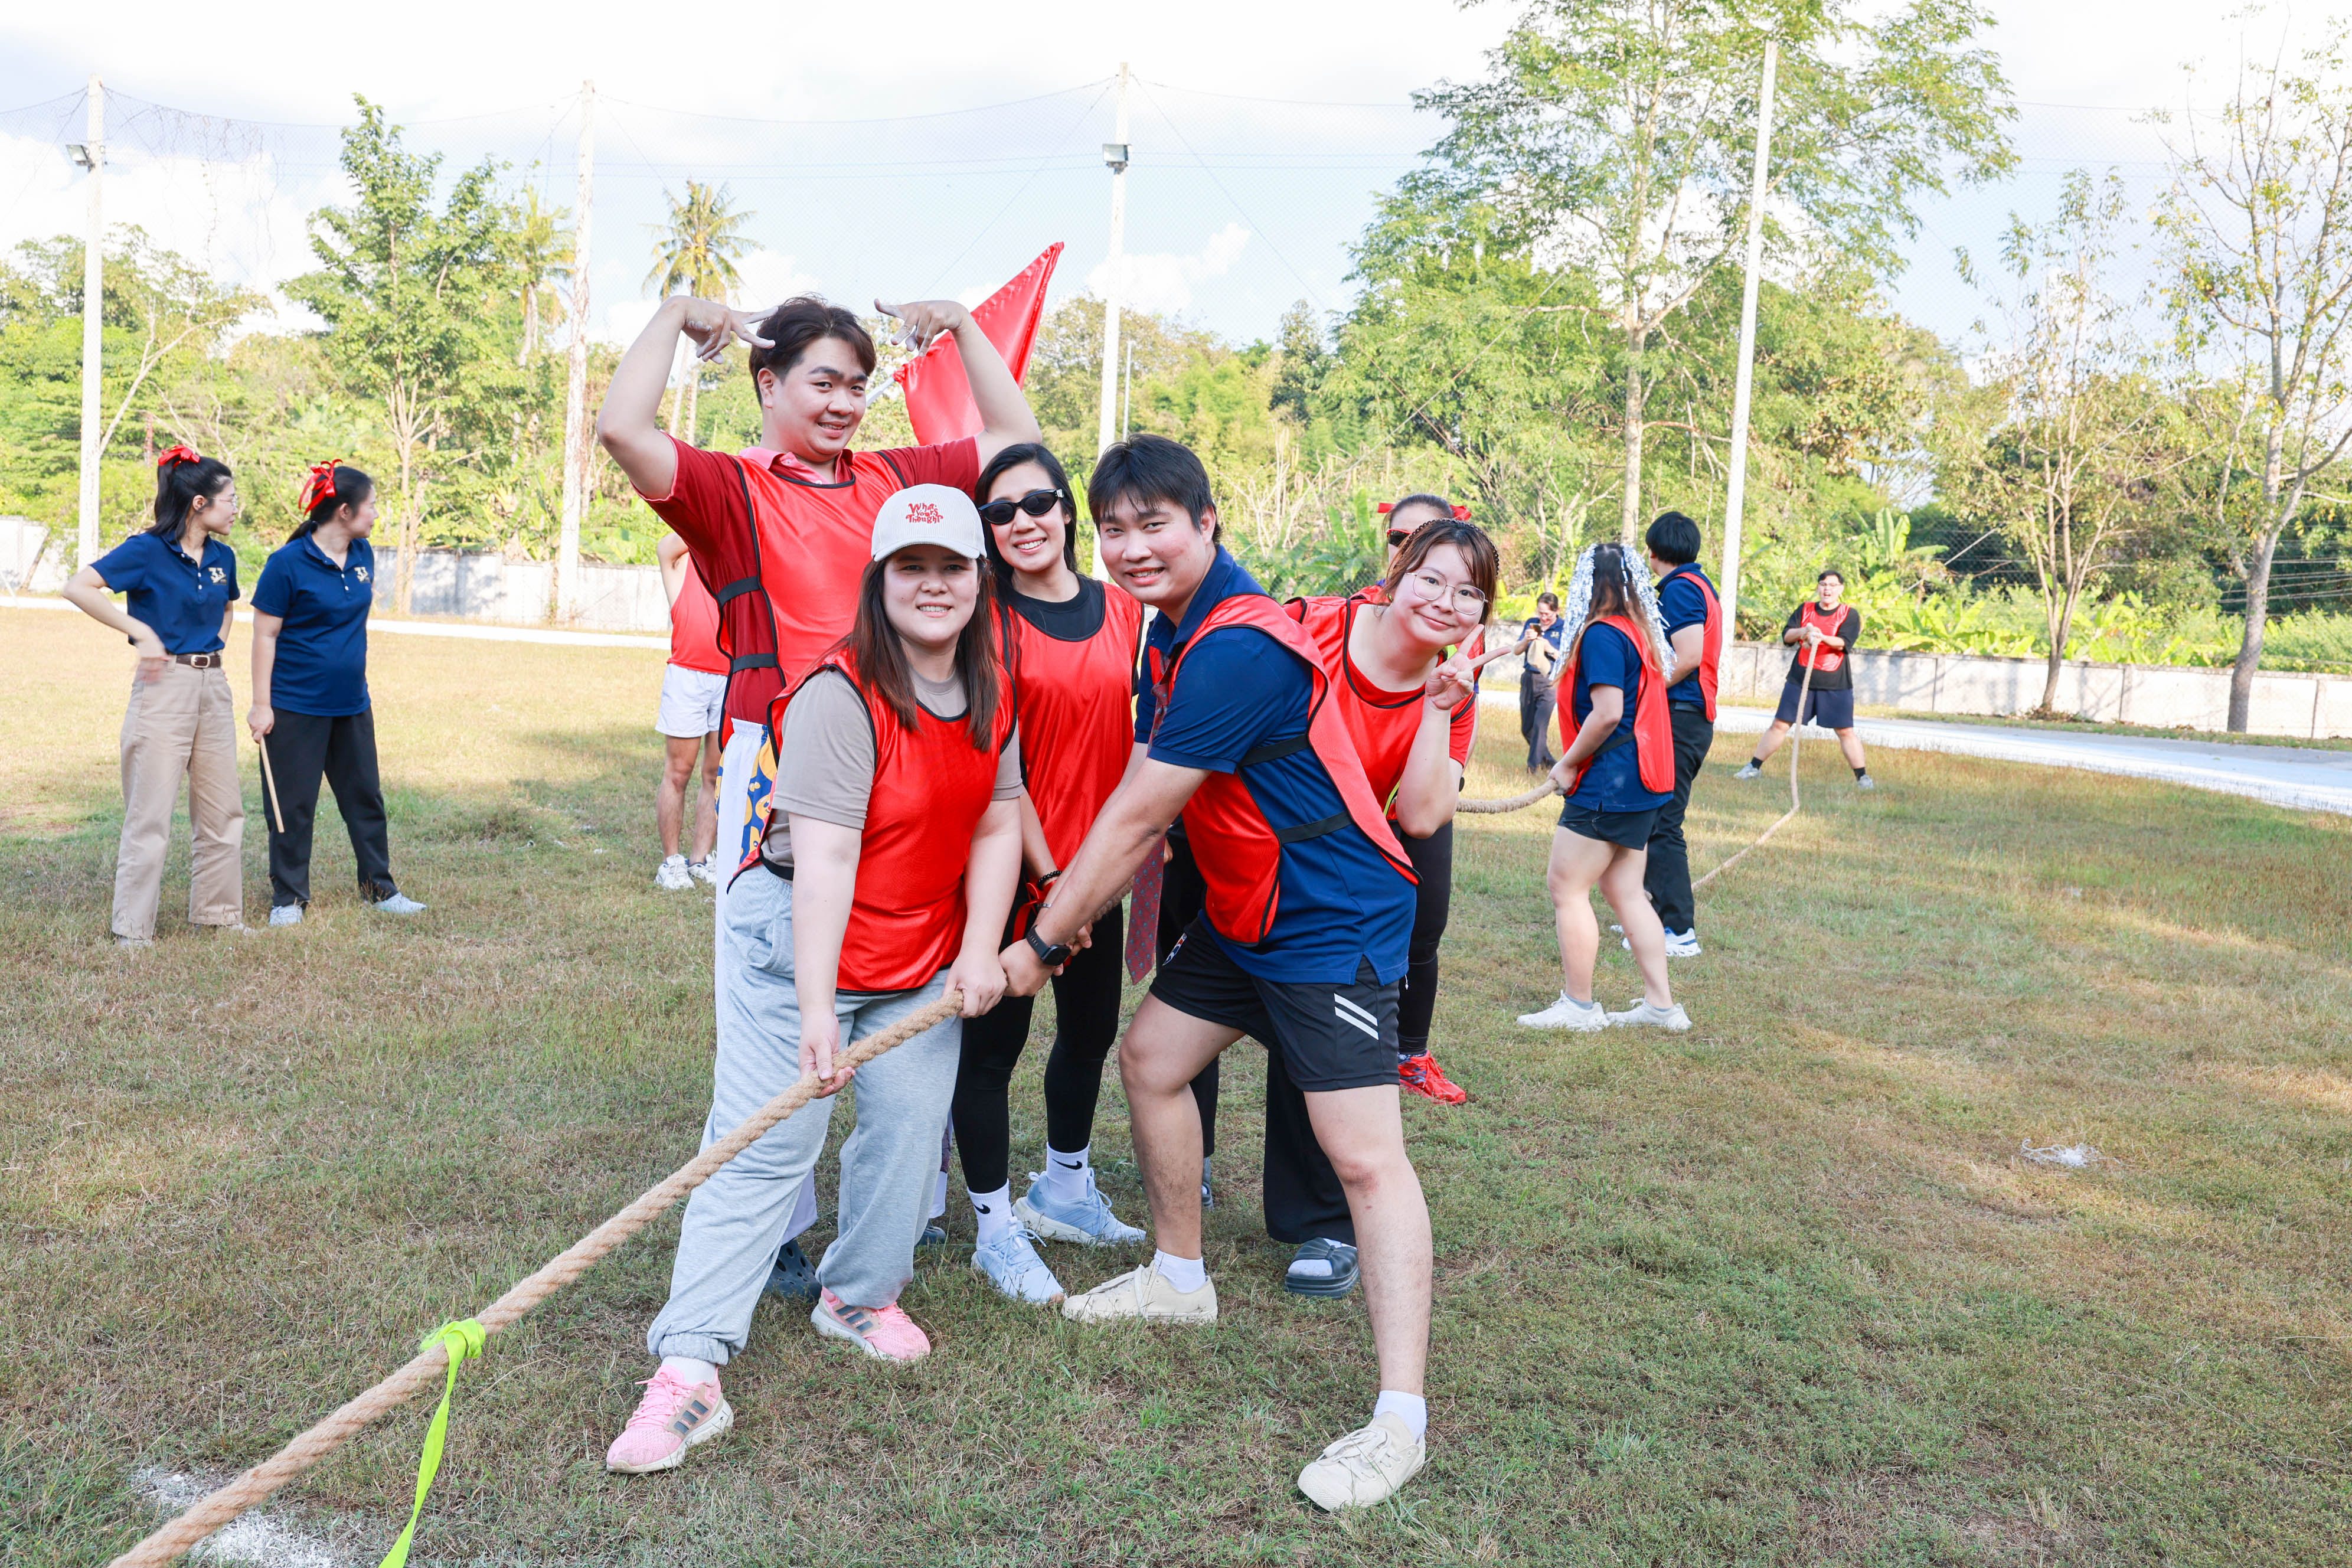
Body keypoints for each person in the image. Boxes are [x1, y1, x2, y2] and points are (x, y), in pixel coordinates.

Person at [1001, 434, 1441, 1512]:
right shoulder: (1172, 629)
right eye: (1114, 530)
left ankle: (1401, 1420)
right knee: (1152, 1061)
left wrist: (1043, 940)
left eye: (1155, 524)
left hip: (1329, 918)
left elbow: (1141, 815)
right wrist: (1065, 899)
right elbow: (1145, 793)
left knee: (1364, 1160)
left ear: (1208, 524)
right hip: (1251, 909)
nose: (1131, 548)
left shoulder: (1237, 646)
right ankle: (1178, 1276)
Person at [598, 291, 1041, 1295]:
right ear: (767, 383)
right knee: (770, 988)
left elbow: (1015, 441)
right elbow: (623, 428)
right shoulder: (729, 487)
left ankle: (896, 1213)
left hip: (911, 752)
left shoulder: (897, 480)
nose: (844, 403)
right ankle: (776, 1228)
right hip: (777, 760)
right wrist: (675, 316)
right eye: (823, 382)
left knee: (902, 963)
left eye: (858, 385)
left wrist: (963, 329)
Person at [606, 486, 1023, 1474]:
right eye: (910, 567)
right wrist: (814, 1009)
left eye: (951, 567)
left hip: (917, 949)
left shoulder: (992, 685)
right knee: (768, 1143)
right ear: (879, 581)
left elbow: (999, 819)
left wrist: (978, 949)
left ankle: (858, 1296)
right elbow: (826, 861)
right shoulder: (842, 694)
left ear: (980, 579)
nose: (932, 585)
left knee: (910, 1128)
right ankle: (689, 1366)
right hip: (801, 940)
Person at [1175, 493, 1487, 1305]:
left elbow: (1423, 815)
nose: (1444, 601)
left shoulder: (1451, 689)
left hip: (1327, 886)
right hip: (1228, 844)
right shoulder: (1310, 624)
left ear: (1482, 614)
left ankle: (1323, 1221)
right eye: (1429, 577)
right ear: (1396, 570)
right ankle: (1186, 1174)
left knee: (1317, 1052)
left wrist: (1437, 709)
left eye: (1468, 593)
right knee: (1160, 1045)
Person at [947, 442, 1148, 1305]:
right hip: (1016, 868)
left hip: (1101, 869)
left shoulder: (1123, 610)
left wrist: (1098, 875)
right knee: (993, 1048)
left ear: (1067, 509)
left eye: (1037, 503)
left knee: (1090, 1031)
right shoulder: (987, 620)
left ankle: (1064, 1189)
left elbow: (1137, 741)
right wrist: (1055, 881)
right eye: (1000, 512)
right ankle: (995, 1228)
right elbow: (1003, 771)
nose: (1022, 522)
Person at [61, 447, 247, 945]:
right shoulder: (146, 550)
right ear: (199, 503)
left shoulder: (224, 557)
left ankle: (219, 914)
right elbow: (79, 587)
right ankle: (133, 929)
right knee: (151, 813)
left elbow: (229, 607)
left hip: (214, 687)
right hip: (164, 687)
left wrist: (216, 646)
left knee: (223, 810)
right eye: (231, 499)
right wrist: (141, 633)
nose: (236, 508)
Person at [1516, 543, 1691, 1034]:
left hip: (1610, 783)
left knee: (1566, 886)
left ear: (1587, 585)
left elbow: (1608, 713)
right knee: (1625, 890)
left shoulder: (1601, 635)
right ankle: (1661, 1008)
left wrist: (1567, 764)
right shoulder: (1638, 631)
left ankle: (1579, 1006)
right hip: (1640, 782)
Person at [246, 462, 424, 925]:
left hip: (352, 703)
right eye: (372, 507)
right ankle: (288, 900)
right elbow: (264, 635)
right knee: (292, 807)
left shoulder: (363, 554)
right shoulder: (286, 564)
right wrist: (261, 705)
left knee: (366, 799)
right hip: (294, 706)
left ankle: (380, 889)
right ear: (344, 511)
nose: (377, 515)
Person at [1638, 511, 1722, 957]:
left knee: (1663, 823)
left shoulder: (1682, 589)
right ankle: (1647, 914)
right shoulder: (1695, 584)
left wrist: (1644, 693)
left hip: (1681, 717)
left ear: (1653, 552)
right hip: (1685, 716)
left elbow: (1688, 656)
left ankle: (1679, 930)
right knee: (1649, 818)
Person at [1739, 569, 1874, 789]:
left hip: (1835, 682)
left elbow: (1843, 643)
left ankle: (1863, 778)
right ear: (1818, 588)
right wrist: (1805, 632)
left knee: (1845, 731)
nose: (1827, 589)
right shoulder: (1805, 610)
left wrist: (1821, 637)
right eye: (1823, 584)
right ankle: (1753, 767)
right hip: (1800, 679)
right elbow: (1787, 636)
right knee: (1780, 724)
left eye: (1832, 585)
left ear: (1840, 589)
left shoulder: (1849, 614)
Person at [652, 531, 726, 890]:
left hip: (730, 676)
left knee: (715, 775)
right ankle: (671, 863)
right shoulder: (681, 562)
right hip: (687, 677)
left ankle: (700, 859)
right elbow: (665, 546)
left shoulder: (733, 562)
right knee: (678, 773)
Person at [1515, 592, 1564, 771]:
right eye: (1541, 613)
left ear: (1557, 610)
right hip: (1529, 678)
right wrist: (1526, 640)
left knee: (1539, 726)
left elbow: (1567, 659)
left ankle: (1532, 768)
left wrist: (1549, 648)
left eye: (1547, 614)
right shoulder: (1532, 623)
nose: (1543, 618)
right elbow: (1516, 650)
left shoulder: (1564, 628)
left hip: (1550, 681)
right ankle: (1550, 762)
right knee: (1527, 729)